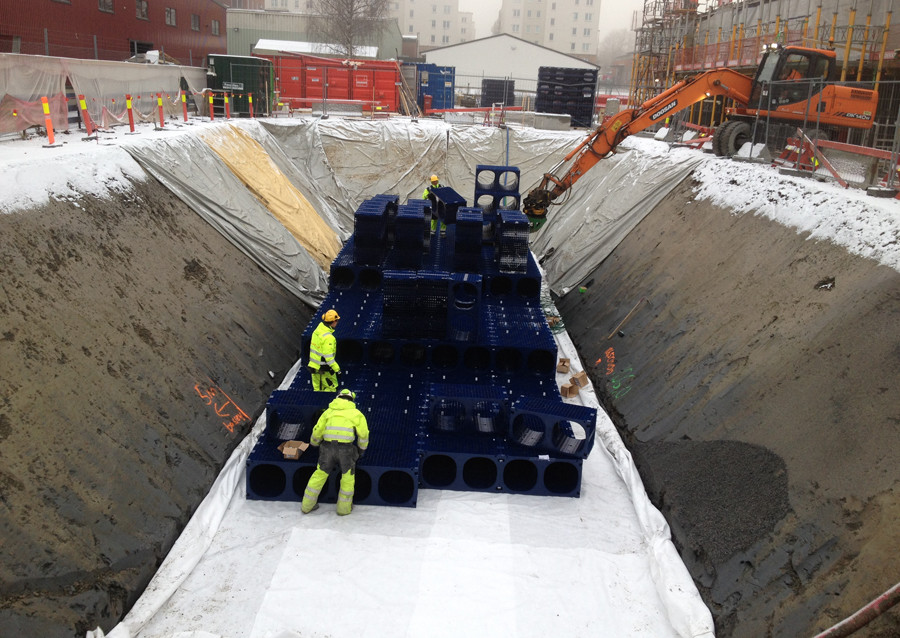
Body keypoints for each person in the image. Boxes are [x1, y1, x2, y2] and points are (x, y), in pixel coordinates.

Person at [301, 388, 370, 515]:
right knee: (347, 478)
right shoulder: (356, 414)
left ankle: (307, 506)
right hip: (346, 450)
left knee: (319, 475)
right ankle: (343, 510)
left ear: (338, 397)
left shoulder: (328, 412)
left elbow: (317, 430)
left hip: (327, 448)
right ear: (351, 399)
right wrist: (361, 449)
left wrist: (314, 444)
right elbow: (364, 434)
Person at [308, 309, 340, 392]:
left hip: (314, 367)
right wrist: (337, 370)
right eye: (337, 321)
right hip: (324, 369)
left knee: (317, 389)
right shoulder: (329, 338)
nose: (337, 323)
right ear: (333, 321)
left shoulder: (317, 331)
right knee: (331, 389)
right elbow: (328, 357)